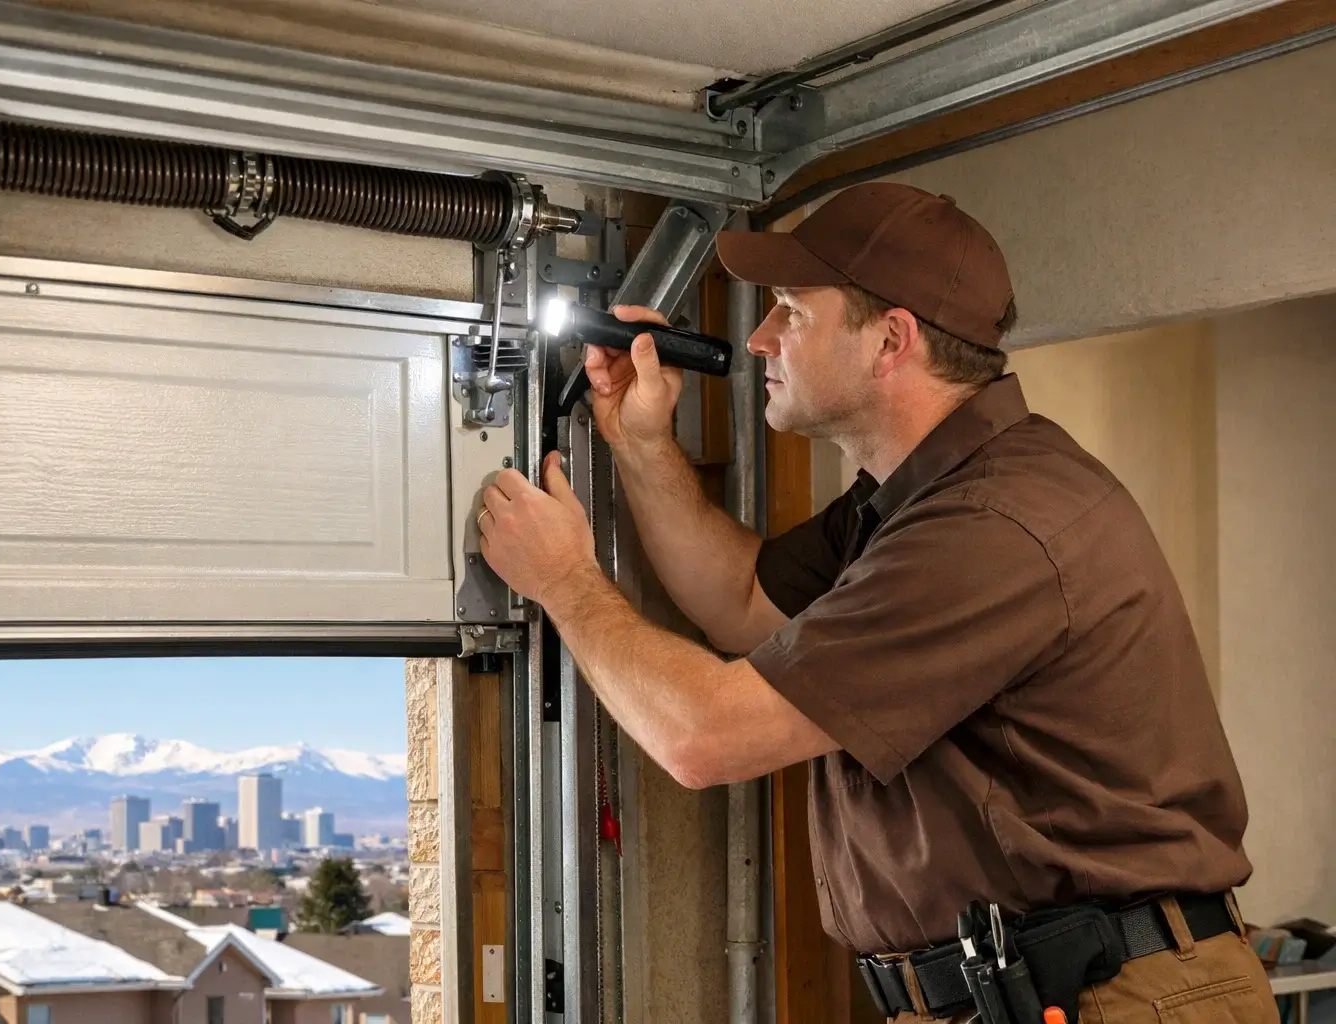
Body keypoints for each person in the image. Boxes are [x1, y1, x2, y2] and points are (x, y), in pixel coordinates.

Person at [475, 181, 1278, 1024]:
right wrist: (640, 445)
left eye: (790, 311)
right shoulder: (911, 501)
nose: (757, 340)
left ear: (891, 339)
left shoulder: (990, 526)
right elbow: (744, 599)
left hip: (1105, 999)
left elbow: (704, 737)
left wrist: (565, 582)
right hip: (1018, 996)